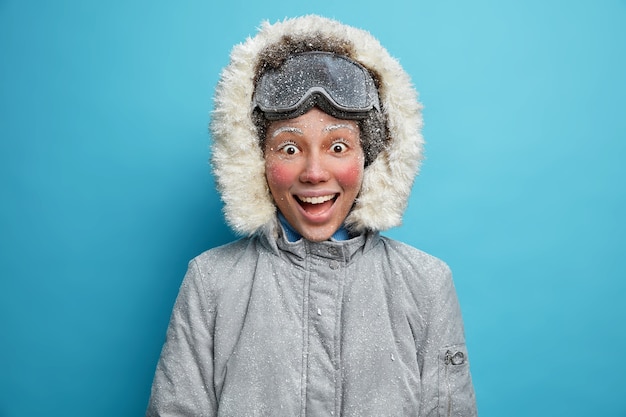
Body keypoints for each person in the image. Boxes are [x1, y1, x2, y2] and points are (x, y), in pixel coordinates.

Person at [146, 15, 477, 417]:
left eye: (338, 147)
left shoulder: (425, 284)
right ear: (255, 159)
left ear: (370, 157)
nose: (315, 172)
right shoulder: (211, 283)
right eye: (289, 148)